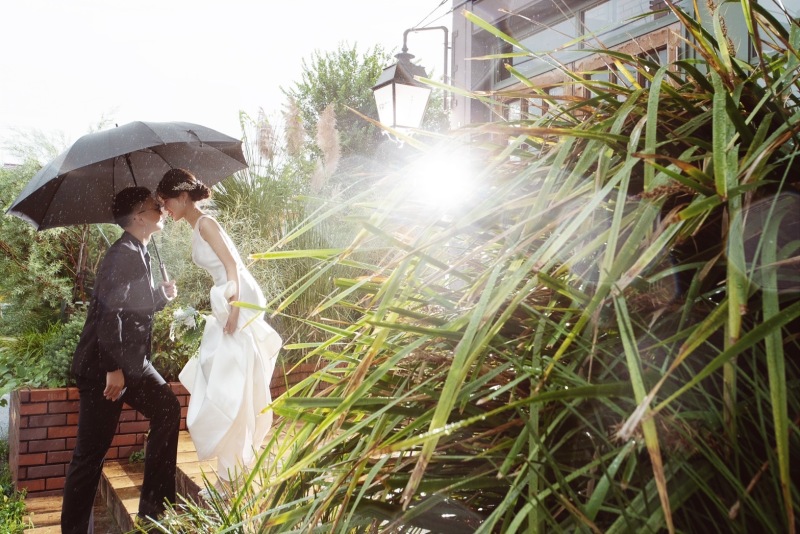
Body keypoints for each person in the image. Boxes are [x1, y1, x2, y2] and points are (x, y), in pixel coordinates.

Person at [61, 187, 180, 533]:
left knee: (167, 409)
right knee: (90, 456)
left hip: (131, 363)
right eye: (155, 206)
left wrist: (160, 296)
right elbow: (108, 314)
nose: (162, 209)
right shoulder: (122, 255)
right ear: (139, 216)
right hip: (104, 368)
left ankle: (154, 512)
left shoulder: (138, 250)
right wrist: (113, 368)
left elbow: (131, 308)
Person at [156, 168, 281, 494]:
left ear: (183, 196)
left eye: (167, 201)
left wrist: (235, 309)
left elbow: (232, 266)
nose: (165, 208)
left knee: (233, 384)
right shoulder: (197, 226)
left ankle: (229, 477)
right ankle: (231, 473)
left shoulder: (206, 223)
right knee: (229, 381)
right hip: (228, 296)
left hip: (238, 297)